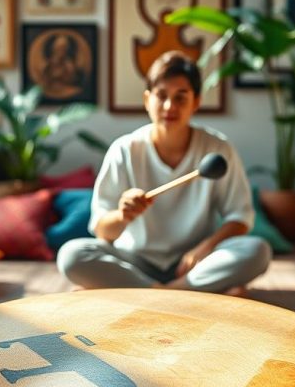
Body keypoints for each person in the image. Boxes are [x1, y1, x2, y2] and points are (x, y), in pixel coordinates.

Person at [57, 51, 271, 295]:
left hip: (193, 266)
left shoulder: (218, 148)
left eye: (181, 98)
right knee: (72, 255)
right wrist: (123, 215)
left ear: (196, 102)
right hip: (134, 262)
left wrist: (205, 247)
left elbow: (240, 218)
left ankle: (158, 292)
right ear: (147, 100)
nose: (170, 106)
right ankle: (186, 293)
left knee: (257, 250)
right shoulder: (124, 150)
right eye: (161, 96)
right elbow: (102, 230)